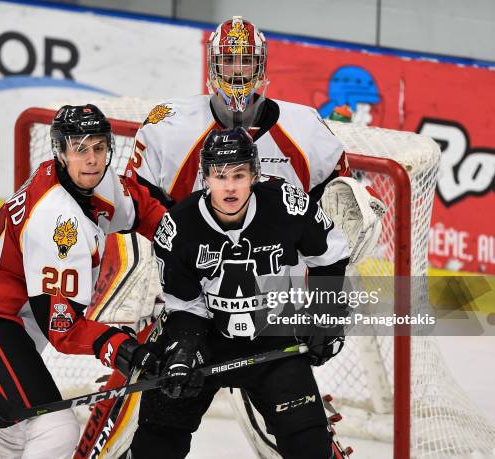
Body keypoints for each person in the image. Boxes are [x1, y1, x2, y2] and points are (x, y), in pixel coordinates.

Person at [88, 15, 384, 458]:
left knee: (303, 442)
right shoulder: (170, 128)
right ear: (212, 66)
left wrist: (325, 313)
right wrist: (179, 311)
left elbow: (332, 229)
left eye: (245, 62)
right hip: (188, 309)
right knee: (152, 437)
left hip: (273, 313)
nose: (238, 73)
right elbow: (139, 213)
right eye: (229, 62)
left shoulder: (306, 132)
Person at [0, 104, 165, 459]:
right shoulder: (58, 221)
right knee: (54, 429)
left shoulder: (85, 179)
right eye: (79, 148)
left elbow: (142, 209)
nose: (91, 159)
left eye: (98, 147)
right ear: (60, 151)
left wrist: (188, 238)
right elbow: (63, 331)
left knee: (17, 435)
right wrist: (123, 348)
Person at [129, 127, 350, 458]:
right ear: (204, 177)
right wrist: (184, 349)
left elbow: (330, 255)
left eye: (239, 174)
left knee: (310, 447)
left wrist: (326, 315)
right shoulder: (178, 227)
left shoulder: (288, 205)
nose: (229, 186)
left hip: (275, 338)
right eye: (219, 176)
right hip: (208, 340)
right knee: (156, 439)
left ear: (255, 175)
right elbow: (183, 306)